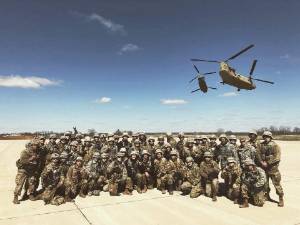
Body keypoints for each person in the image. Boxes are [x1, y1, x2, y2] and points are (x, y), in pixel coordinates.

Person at [257, 131, 284, 207]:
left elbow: (277, 157)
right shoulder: (261, 145)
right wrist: (261, 162)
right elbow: (258, 154)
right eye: (265, 136)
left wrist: (268, 163)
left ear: (271, 137)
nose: (266, 138)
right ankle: (267, 196)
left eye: (268, 136)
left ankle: (281, 198)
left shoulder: (275, 145)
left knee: (277, 184)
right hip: (264, 168)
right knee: (265, 184)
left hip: (273, 169)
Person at [13, 139, 41, 204]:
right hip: (23, 170)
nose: (35, 146)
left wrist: (36, 169)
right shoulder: (25, 151)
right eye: (34, 145)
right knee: (20, 183)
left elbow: (38, 162)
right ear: (30, 145)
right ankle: (16, 197)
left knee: (32, 182)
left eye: (36, 145)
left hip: (31, 170)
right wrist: (31, 158)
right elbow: (23, 161)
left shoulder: (37, 152)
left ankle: (30, 195)